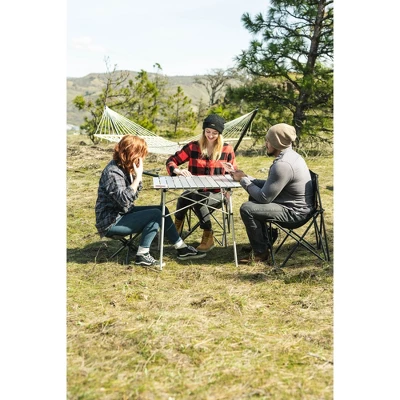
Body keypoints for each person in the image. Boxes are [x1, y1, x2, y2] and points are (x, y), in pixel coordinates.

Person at [95, 134, 206, 268]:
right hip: (111, 222)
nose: (142, 158)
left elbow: (132, 197)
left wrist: (136, 177)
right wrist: (138, 177)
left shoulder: (125, 167)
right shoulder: (113, 172)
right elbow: (124, 200)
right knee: (155, 215)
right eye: (141, 155)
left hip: (123, 212)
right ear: (132, 154)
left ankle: (181, 248)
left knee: (162, 210)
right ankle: (142, 255)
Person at [230, 123, 314, 264]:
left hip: (295, 213)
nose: (266, 144)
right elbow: (271, 185)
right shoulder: (292, 156)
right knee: (252, 196)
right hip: (294, 205)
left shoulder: (283, 164)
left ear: (276, 142)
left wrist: (243, 180)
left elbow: (264, 197)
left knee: (247, 208)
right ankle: (264, 240)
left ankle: (261, 253)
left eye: (268, 140)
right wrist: (247, 177)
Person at [165, 114, 237, 252]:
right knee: (183, 198)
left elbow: (235, 174)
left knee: (197, 199)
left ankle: (208, 235)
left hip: (218, 194)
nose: (210, 135)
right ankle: (175, 230)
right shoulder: (193, 147)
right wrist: (177, 171)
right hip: (195, 191)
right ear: (204, 131)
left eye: (215, 133)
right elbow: (171, 161)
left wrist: (232, 172)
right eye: (207, 131)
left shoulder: (227, 149)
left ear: (220, 134)